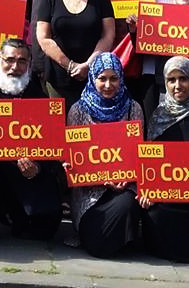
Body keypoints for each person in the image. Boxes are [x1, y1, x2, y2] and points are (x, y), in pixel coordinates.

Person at [0, 38, 62, 243]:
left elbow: (52, 146)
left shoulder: (40, 100)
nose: (15, 67)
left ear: (29, 63)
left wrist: (38, 167)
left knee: (45, 226)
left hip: (24, 171)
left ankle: (18, 217)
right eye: (9, 60)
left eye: (21, 61)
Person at [66, 52, 143, 257]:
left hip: (125, 187)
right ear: (93, 78)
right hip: (89, 194)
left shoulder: (132, 108)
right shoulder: (78, 110)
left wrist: (125, 179)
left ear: (121, 78)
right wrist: (100, 178)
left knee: (128, 201)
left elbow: (139, 155)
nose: (108, 85)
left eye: (114, 78)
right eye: (102, 78)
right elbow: (75, 159)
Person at [36, 0, 115, 112]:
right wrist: (70, 65)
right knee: (61, 129)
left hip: (95, 77)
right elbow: (43, 37)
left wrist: (88, 64)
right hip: (58, 79)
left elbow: (108, 35)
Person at [140, 56, 189, 262]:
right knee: (153, 214)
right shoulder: (158, 116)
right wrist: (148, 191)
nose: (177, 85)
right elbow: (150, 162)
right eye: (171, 80)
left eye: (183, 79)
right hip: (165, 199)